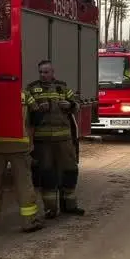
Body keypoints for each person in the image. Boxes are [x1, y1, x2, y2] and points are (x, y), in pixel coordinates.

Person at [27, 60, 84, 218]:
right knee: (47, 174)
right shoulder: (32, 89)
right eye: (41, 72)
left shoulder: (63, 87)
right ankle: (50, 210)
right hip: (43, 142)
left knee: (70, 171)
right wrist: (38, 111)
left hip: (64, 139)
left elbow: (77, 103)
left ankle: (70, 206)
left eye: (46, 72)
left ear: (53, 72)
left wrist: (70, 105)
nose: (43, 75)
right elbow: (26, 113)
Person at [0, 89, 43, 233]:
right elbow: (37, 115)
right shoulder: (23, 94)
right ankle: (29, 222)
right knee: (24, 184)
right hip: (19, 145)